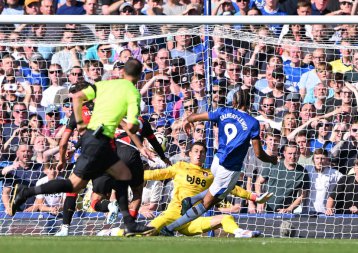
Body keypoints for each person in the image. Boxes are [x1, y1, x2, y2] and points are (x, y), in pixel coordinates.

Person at [9, 59, 154, 236]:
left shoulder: (104, 85)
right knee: (75, 184)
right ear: (139, 76)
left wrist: (81, 125)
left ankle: (129, 225)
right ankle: (27, 192)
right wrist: (138, 126)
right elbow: (130, 127)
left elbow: (77, 97)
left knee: (121, 175)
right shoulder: (132, 93)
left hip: (95, 140)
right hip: (99, 142)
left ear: (122, 72)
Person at [160, 89, 277, 236]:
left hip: (216, 161)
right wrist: (272, 159)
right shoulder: (253, 123)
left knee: (217, 191)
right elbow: (259, 153)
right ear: (250, 103)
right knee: (208, 203)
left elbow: (195, 116)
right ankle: (170, 228)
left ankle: (190, 201)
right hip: (229, 168)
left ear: (234, 102)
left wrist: (187, 121)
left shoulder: (222, 111)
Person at [98, 142, 269, 237]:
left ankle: (240, 232)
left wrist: (254, 197)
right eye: (196, 151)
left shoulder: (210, 175)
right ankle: (114, 232)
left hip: (192, 220)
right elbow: (156, 174)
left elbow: (231, 188)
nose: (199, 154)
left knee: (226, 217)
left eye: (202, 152)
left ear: (205, 155)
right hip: (171, 215)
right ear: (189, 153)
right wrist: (124, 173)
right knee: (145, 233)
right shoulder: (179, 166)